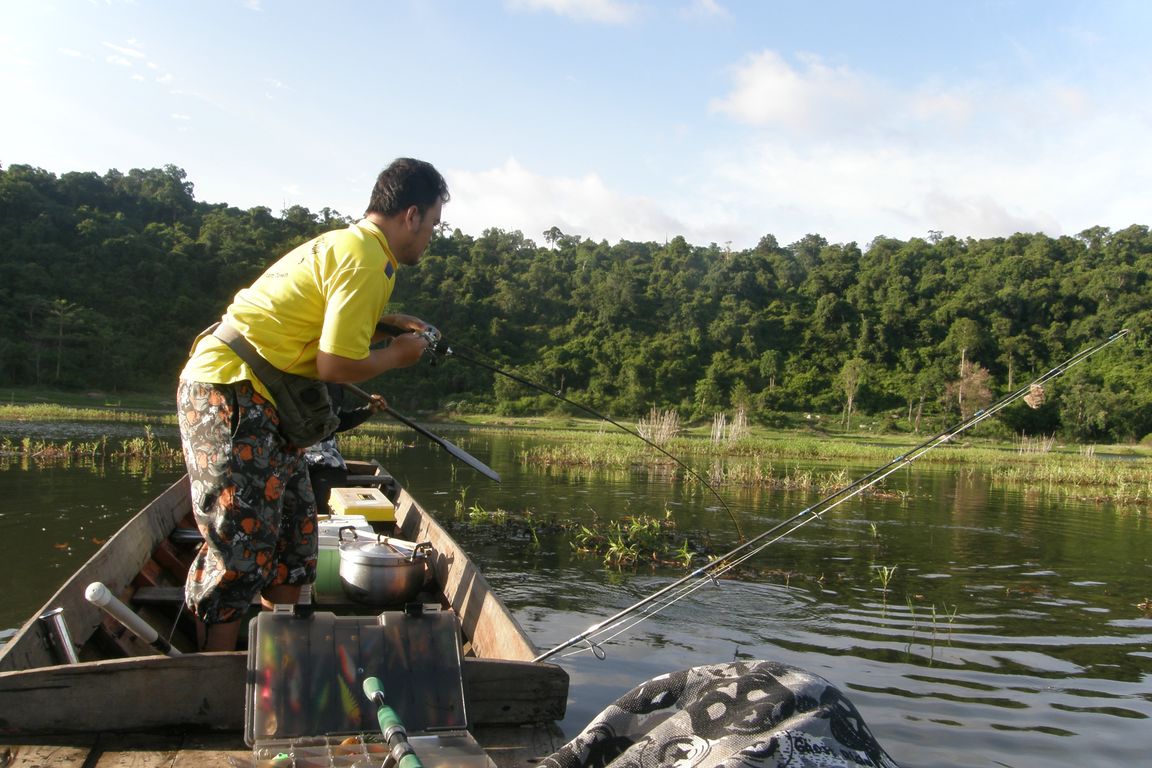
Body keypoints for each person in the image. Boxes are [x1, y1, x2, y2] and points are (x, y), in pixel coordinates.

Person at [176, 158, 449, 651]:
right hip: (231, 390)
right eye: (432, 224)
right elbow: (334, 364)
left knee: (293, 542)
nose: (430, 236)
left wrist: (388, 324)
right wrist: (396, 356)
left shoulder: (358, 249)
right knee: (240, 549)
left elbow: (331, 321)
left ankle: (278, 664)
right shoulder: (367, 259)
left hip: (265, 401)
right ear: (410, 214)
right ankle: (212, 683)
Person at [305, 383, 386, 516]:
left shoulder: (336, 384)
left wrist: (368, 410)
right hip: (291, 454)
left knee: (324, 499)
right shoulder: (290, 375)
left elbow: (337, 421)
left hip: (327, 459)